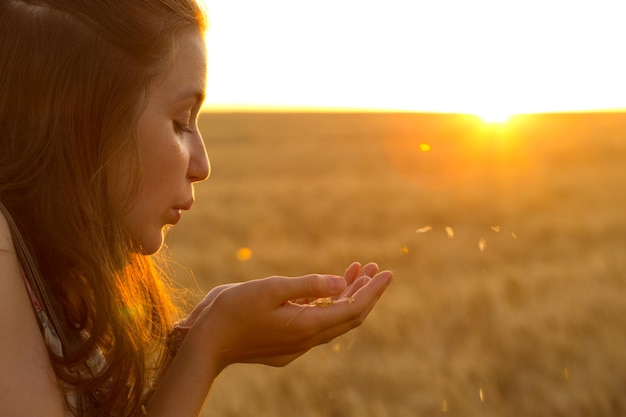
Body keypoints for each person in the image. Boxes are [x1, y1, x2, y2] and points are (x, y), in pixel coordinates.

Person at [0, 1, 393, 416]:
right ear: (84, 117)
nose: (202, 166)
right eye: (181, 121)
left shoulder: (54, 270)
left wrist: (198, 345)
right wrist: (211, 343)